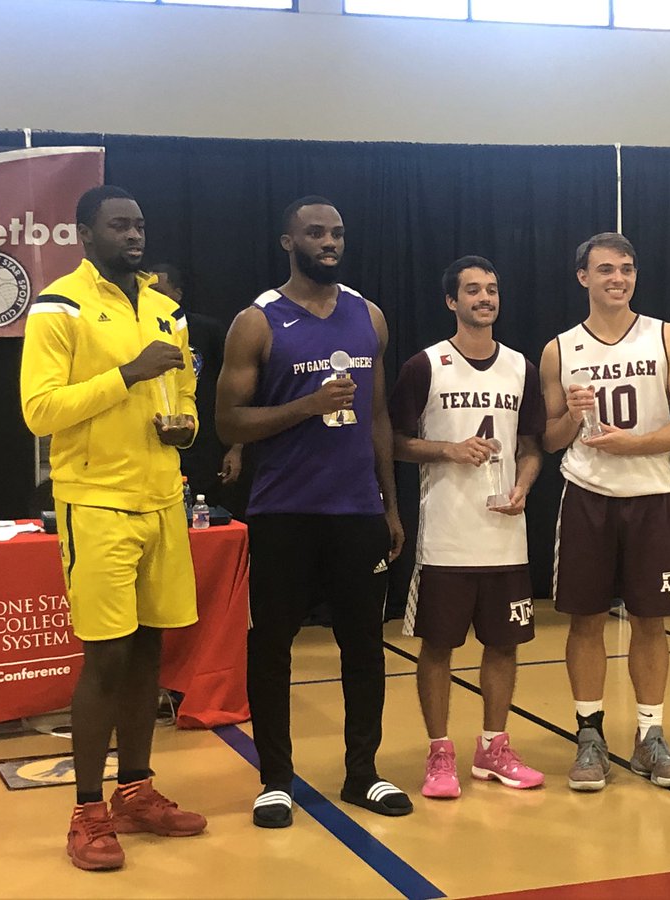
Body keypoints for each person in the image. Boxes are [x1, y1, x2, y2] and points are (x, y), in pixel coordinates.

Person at [20, 185, 207, 871]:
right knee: (106, 656)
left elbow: (182, 391)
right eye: (118, 225)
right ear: (83, 233)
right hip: (94, 499)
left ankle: (137, 791)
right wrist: (126, 374)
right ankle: (88, 811)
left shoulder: (167, 310)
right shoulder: (59, 306)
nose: (134, 235)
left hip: (162, 496)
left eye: (140, 224)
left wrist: (185, 424)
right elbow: (40, 410)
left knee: (150, 649)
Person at [216, 195, 410, 827]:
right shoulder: (258, 321)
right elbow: (227, 422)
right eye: (316, 233)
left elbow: (378, 416)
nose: (329, 242)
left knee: (365, 647)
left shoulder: (369, 317)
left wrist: (389, 502)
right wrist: (305, 405)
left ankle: (363, 774)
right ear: (288, 242)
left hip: (356, 510)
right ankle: (275, 779)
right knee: (272, 645)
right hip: (284, 511)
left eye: (337, 233)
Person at [539, 233, 670, 792]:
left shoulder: (667, 338)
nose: (618, 278)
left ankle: (650, 736)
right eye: (606, 269)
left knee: (650, 622)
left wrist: (635, 444)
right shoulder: (560, 349)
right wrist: (574, 418)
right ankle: (589, 737)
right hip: (585, 495)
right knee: (585, 620)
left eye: (627, 269)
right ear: (582, 276)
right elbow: (550, 436)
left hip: (652, 495)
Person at [389, 256, 546, 799]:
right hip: (447, 538)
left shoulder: (521, 366)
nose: (485, 298)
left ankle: (493, 748)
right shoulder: (424, 366)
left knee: (504, 646)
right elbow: (394, 442)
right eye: (473, 290)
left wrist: (524, 484)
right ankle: (440, 754)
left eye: (492, 290)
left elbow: (531, 447)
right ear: (451, 302)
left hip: (505, 536)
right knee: (438, 647)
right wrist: (447, 450)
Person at [148, 263, 245, 515]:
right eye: (147, 290)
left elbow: (236, 391)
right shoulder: (131, 332)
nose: (152, 297)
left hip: (205, 448)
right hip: (152, 448)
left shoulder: (206, 330)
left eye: (159, 290)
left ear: (177, 294)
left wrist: (236, 448)